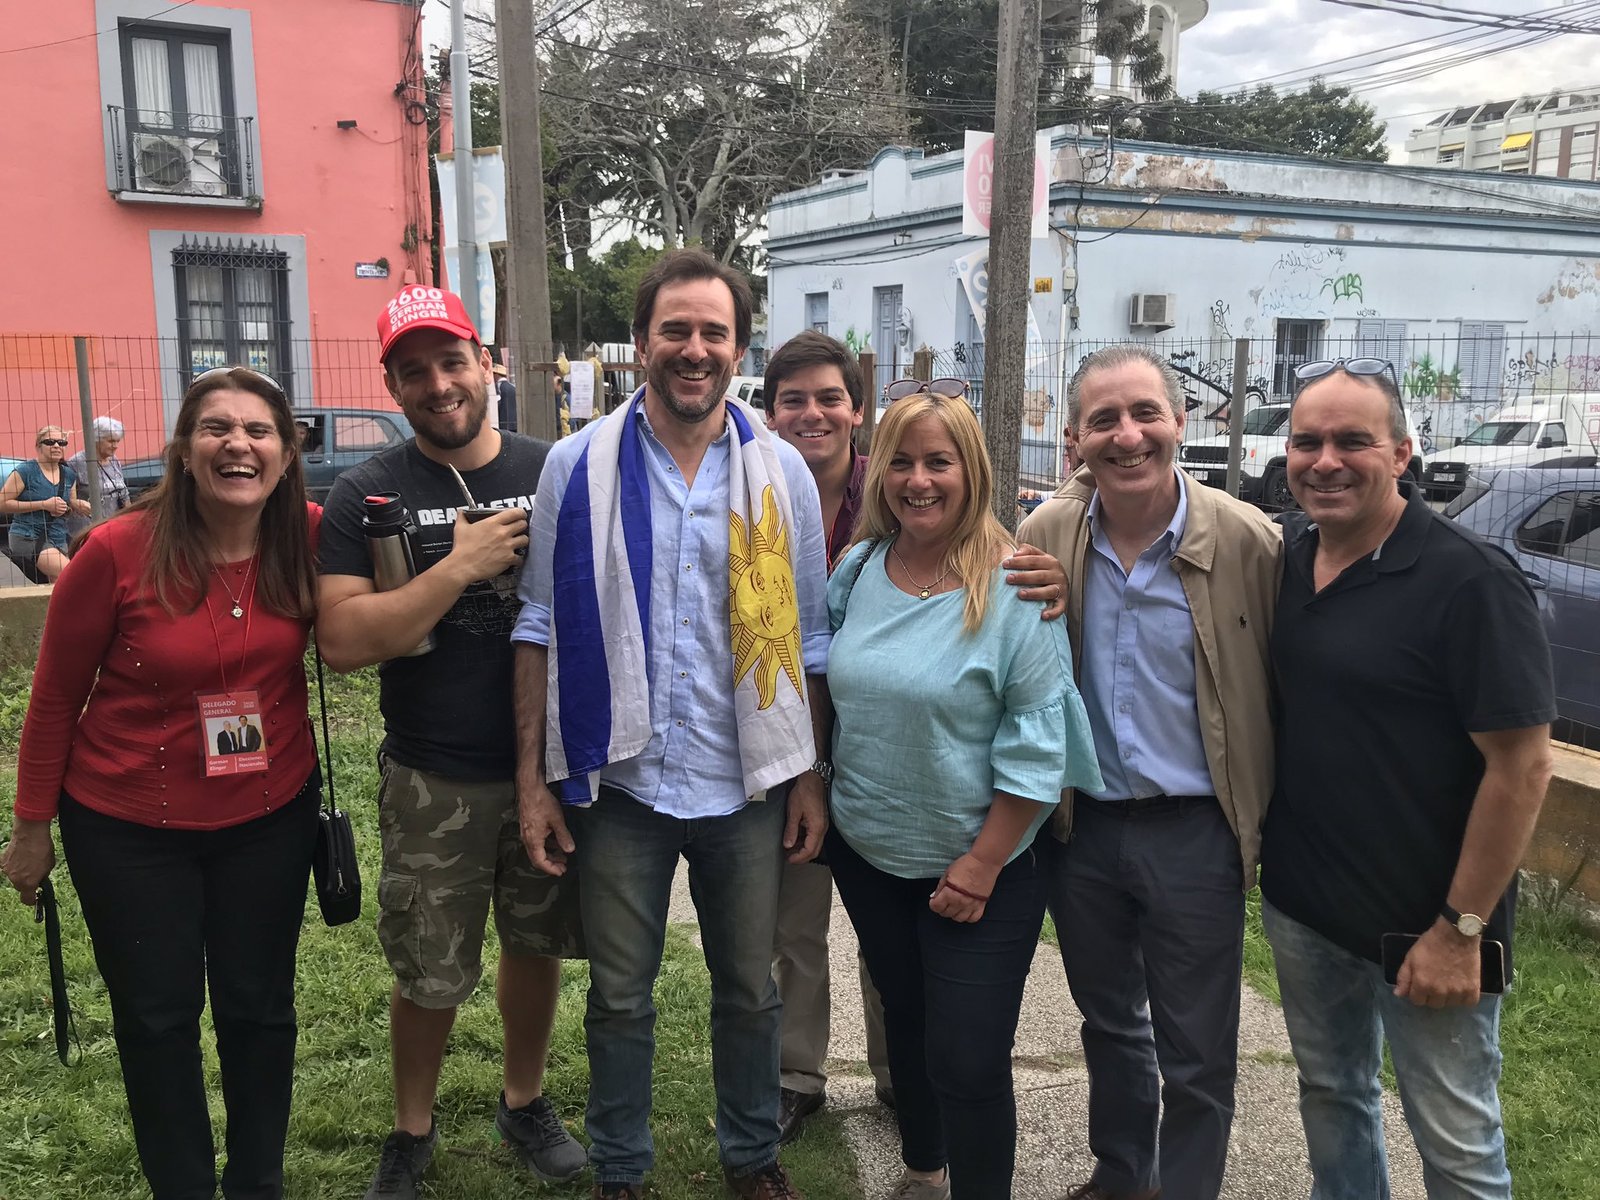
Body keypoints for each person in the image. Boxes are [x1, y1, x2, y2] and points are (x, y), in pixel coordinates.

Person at [513, 248, 830, 1200]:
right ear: (642, 343)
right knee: (618, 997)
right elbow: (536, 624)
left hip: (744, 781)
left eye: (714, 333)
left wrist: (807, 774)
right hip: (623, 782)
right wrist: (534, 783)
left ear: (739, 347)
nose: (695, 350)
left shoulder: (782, 474)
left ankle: (750, 1158)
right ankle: (621, 1170)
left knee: (748, 990)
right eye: (675, 331)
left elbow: (807, 639)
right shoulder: (576, 465)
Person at [1, 366, 321, 1199]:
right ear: (182, 451)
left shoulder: (311, 537)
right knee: (156, 1020)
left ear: (286, 455)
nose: (237, 444)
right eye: (216, 428)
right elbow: (54, 699)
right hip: (128, 827)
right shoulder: (113, 552)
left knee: (260, 1013)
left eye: (258, 431)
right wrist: (31, 828)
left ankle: (257, 1183)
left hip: (269, 816)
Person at [759, 333, 1072, 1143]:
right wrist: (810, 779)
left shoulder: (990, 565)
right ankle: (810, 1078)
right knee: (810, 942)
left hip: (957, 835)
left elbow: (1037, 713)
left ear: (855, 415)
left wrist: (1043, 575)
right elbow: (812, 665)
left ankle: (912, 1093)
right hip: (848, 807)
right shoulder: (779, 508)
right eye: (791, 398)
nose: (919, 480)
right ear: (769, 411)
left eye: (829, 397)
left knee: (941, 1028)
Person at [1259, 357, 1555, 1199]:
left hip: (1429, 922)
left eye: (1354, 440)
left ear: (1402, 453)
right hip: (1304, 905)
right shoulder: (1286, 560)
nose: (1326, 460)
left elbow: (1522, 766)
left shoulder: (1470, 581)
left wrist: (1461, 930)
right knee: (1332, 1097)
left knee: (1457, 1141)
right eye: (1307, 441)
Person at [317, 286, 586, 1200]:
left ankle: (524, 1098)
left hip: (547, 770)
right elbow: (347, 643)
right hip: (434, 774)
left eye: (452, 360)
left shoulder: (554, 469)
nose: (439, 383)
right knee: (429, 967)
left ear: (486, 363)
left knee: (536, 942)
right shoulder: (366, 492)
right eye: (414, 369)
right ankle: (412, 1127)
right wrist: (460, 567)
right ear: (391, 384)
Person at [1017, 345, 1281, 1200]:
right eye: (1104, 421)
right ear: (1073, 441)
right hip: (1083, 829)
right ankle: (1124, 1174)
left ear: (1181, 421)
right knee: (1110, 1024)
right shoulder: (1047, 536)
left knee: (1199, 1051)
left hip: (1195, 833)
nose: (1127, 436)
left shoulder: (1250, 543)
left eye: (1144, 414)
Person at [823, 389, 1099, 1200]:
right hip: (870, 851)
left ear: (970, 471)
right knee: (905, 1022)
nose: (918, 480)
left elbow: (1039, 747)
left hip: (986, 867)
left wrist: (981, 865)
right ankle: (921, 1169)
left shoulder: (1016, 588)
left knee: (970, 1058)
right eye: (902, 461)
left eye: (938, 461)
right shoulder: (860, 569)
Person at [1, 425, 91, 580]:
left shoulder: (68, 474)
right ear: (38, 446)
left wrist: (76, 506)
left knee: (57, 589)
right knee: (71, 576)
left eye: (61, 443)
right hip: (28, 536)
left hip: (58, 537)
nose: (56, 446)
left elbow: (69, 504)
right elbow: (3, 502)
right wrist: (43, 504)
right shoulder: (25, 471)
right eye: (50, 442)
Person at [66, 415, 132, 536]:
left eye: (118, 441)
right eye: (111, 441)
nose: (116, 445)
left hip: (112, 528)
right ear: (96, 440)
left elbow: (124, 494)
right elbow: (67, 499)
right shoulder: (75, 463)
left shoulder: (114, 461)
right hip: (86, 531)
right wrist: (75, 503)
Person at [493, 360, 518, 433]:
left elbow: (497, 403)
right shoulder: (513, 387)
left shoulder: (498, 387)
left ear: (496, 375)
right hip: (515, 423)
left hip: (503, 424)